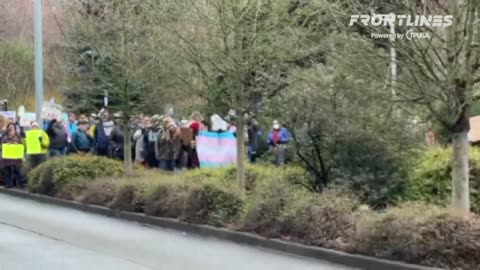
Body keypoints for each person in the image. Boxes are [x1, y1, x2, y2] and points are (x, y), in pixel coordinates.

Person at [1, 122, 25, 188]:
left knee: (16, 170)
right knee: (7, 170)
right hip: (7, 155)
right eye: (10, 126)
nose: (11, 128)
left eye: (12, 126)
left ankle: (21, 183)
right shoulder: (5, 136)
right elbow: (2, 143)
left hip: (15, 156)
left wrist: (16, 144)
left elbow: (22, 144)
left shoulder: (17, 136)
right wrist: (7, 143)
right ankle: (9, 184)